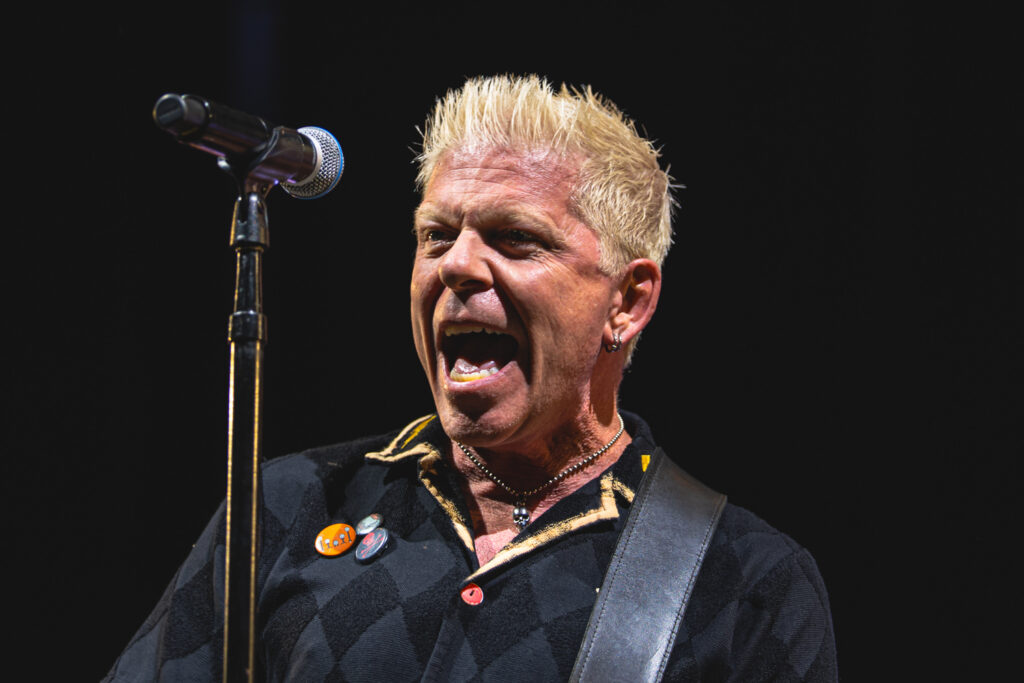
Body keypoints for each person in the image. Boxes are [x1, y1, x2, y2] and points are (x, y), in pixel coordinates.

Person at [105, 74, 838, 682]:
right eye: (436, 235)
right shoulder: (288, 506)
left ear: (626, 301)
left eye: (515, 238)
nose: (457, 265)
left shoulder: (744, 583)